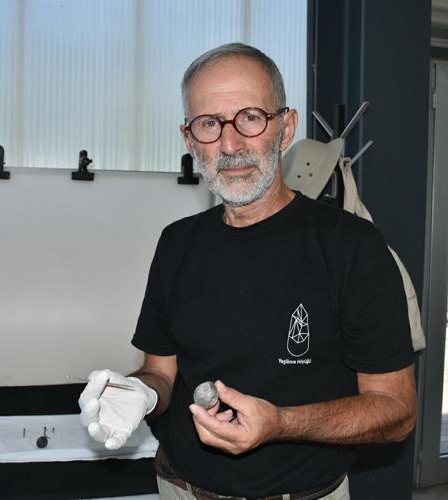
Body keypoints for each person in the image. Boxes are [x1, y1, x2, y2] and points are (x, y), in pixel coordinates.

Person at [78, 43, 416, 499]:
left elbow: (396, 410)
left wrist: (281, 423)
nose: (230, 145)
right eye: (209, 124)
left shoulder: (352, 246)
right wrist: (140, 393)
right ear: (189, 140)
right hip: (180, 487)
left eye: (251, 118)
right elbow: (161, 371)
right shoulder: (177, 243)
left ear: (286, 127)